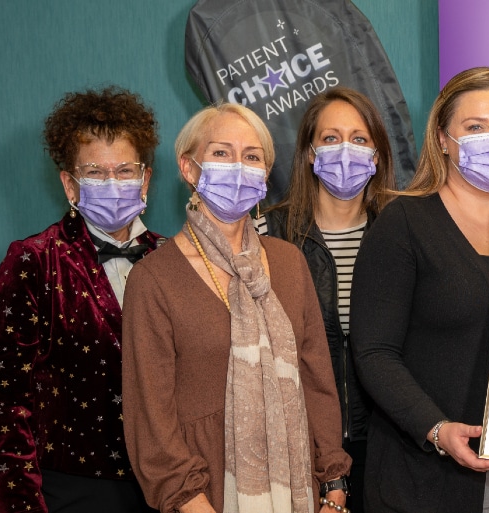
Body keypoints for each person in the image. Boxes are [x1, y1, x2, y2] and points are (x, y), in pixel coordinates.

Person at [351, 67, 489, 513]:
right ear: (442, 139)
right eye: (476, 127)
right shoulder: (403, 225)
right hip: (427, 478)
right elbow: (373, 353)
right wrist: (435, 428)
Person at [121, 102, 351, 513]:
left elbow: (317, 381)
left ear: (265, 175)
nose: (238, 168)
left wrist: (333, 486)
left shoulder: (288, 262)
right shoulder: (153, 279)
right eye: (221, 154)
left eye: (252, 157)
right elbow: (151, 420)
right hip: (205, 497)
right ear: (189, 169)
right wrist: (194, 504)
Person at [0, 86, 162, 513]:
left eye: (124, 170)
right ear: (70, 184)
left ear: (146, 178)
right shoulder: (33, 262)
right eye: (95, 173)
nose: (112, 183)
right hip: (69, 492)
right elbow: (5, 404)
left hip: (167, 490)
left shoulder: (175, 260)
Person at [260, 87, 398, 512]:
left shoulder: (403, 230)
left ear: (377, 155)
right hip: (295, 444)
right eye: (331, 138)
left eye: (359, 139)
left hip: (389, 442)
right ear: (308, 153)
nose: (345, 151)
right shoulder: (269, 234)